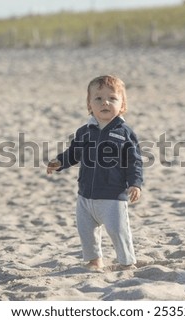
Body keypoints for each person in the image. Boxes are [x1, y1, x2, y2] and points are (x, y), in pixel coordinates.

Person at [47, 75, 143, 272]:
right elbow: (74, 153)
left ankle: (126, 261)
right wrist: (60, 161)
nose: (105, 102)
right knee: (86, 231)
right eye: (98, 98)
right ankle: (94, 261)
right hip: (85, 195)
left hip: (112, 196)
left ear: (122, 104)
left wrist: (135, 183)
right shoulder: (84, 132)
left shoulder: (124, 132)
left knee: (118, 230)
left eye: (112, 98)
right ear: (89, 104)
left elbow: (134, 161)